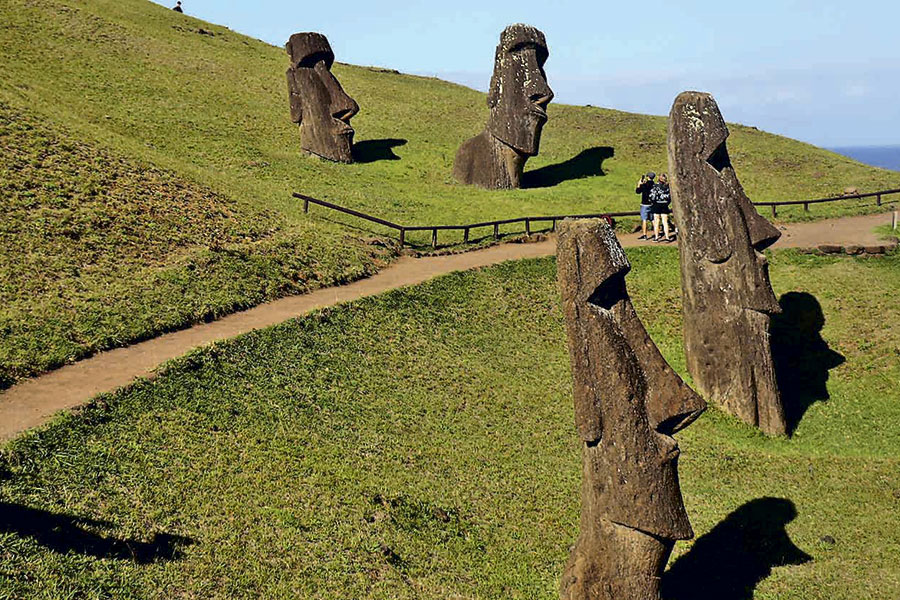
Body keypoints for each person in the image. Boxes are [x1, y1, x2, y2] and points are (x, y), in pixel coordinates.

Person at [650, 173, 674, 242]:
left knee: (656, 221)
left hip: (656, 204)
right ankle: (667, 237)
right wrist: (667, 202)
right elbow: (669, 197)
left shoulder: (655, 186)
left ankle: (656, 237)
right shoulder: (667, 187)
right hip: (664, 204)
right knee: (665, 221)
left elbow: (652, 196)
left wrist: (653, 202)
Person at [635, 172, 655, 239]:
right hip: (652, 204)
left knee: (644, 220)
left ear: (648, 177)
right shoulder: (654, 185)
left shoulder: (645, 185)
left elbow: (638, 191)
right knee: (653, 220)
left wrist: (639, 184)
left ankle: (644, 235)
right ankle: (656, 234)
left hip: (645, 204)